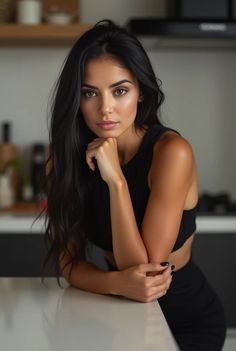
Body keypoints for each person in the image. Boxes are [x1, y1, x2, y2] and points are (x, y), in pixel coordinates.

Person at [44, 20, 226, 350]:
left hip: (185, 320)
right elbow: (71, 266)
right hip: (120, 317)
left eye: (120, 90)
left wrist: (116, 182)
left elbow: (144, 272)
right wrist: (115, 283)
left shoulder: (172, 152)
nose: (105, 109)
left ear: (141, 91)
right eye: (89, 93)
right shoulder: (63, 160)